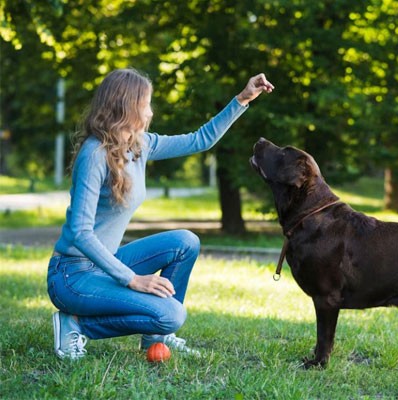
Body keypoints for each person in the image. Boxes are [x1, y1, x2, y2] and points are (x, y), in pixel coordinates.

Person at [47, 68, 274, 360]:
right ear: (126, 106)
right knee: (172, 314)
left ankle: (157, 336)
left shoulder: (139, 145)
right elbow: (80, 233)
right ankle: (74, 323)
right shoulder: (94, 155)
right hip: (72, 275)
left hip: (104, 264)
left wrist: (242, 99)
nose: (150, 112)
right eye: (145, 104)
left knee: (185, 242)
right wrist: (132, 279)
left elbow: (199, 140)